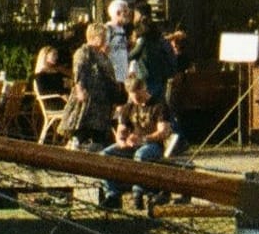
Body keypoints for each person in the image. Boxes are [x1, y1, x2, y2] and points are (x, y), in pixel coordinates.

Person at [99, 75, 172, 209]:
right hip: (132, 144)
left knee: (141, 155)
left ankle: (138, 191)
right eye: (133, 97)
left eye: (139, 96)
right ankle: (112, 195)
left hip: (153, 145)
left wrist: (143, 139)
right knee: (105, 155)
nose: (136, 100)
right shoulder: (129, 108)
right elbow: (121, 130)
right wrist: (122, 141)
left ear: (144, 89)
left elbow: (163, 132)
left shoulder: (159, 106)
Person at [66, 22, 121, 148]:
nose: (106, 40)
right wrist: (80, 90)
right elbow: (79, 72)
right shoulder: (84, 52)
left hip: (102, 99)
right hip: (89, 98)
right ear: (95, 37)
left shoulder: (101, 54)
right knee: (83, 128)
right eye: (104, 36)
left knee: (99, 132)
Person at [128, 18, 178, 104]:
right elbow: (172, 58)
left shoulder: (144, 41)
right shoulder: (163, 41)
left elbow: (132, 56)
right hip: (162, 77)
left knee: (147, 102)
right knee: (160, 103)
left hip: (147, 77)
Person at [104, 0, 134, 83]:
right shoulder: (107, 29)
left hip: (123, 78)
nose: (128, 14)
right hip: (112, 78)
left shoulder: (122, 30)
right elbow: (103, 51)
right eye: (125, 11)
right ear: (117, 13)